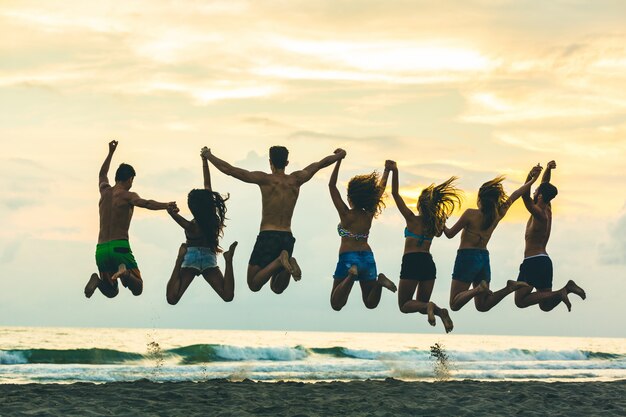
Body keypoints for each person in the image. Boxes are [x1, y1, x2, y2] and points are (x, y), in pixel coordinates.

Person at [204, 145, 346, 294]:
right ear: (287, 163)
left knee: (253, 284)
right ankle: (285, 262)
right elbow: (319, 164)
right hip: (287, 237)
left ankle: (280, 261)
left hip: (268, 236)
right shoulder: (297, 179)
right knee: (277, 288)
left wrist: (209, 156)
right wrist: (339, 155)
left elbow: (230, 170)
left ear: (270, 161)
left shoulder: (265, 179)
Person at [84, 140, 176, 298]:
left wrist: (110, 152)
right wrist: (166, 205)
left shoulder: (104, 191)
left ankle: (98, 281)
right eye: (132, 180)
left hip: (101, 249)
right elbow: (146, 203)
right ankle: (124, 273)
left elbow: (102, 174)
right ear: (129, 179)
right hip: (119, 247)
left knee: (111, 291)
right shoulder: (128, 196)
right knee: (138, 288)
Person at [443, 166, 543, 312]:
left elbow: (450, 234)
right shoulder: (498, 214)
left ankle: (477, 290)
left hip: (467, 257)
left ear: (480, 198)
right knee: (482, 306)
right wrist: (533, 179)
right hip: (483, 258)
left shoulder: (470, 214)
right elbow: (516, 194)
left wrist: (442, 225)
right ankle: (509, 288)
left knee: (454, 304)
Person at [388, 160, 460, 332]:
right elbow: (442, 233)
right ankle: (440, 311)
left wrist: (394, 170)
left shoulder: (412, 219)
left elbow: (395, 194)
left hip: (412, 261)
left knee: (405, 305)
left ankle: (431, 307)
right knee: (421, 303)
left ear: (420, 204)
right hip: (428, 264)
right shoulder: (435, 224)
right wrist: (441, 219)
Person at [166, 147, 238, 305]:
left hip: (190, 257)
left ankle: (178, 258)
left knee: (172, 298)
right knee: (227, 295)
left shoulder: (191, 226)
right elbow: (207, 184)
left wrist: (171, 211)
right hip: (208, 258)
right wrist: (204, 160)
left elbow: (174, 215)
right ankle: (228, 260)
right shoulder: (212, 219)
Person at [514, 161, 586, 311]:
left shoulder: (539, 214)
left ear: (539, 196)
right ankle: (567, 288)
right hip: (544, 262)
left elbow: (524, 195)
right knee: (545, 305)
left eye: (536, 191)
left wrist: (530, 176)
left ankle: (561, 292)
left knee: (520, 301)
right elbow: (545, 184)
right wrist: (547, 169)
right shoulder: (547, 209)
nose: (533, 192)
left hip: (533, 261)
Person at [328, 155, 397, 311]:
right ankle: (380, 282)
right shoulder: (369, 214)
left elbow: (332, 186)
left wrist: (338, 161)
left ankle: (351, 276)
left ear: (351, 198)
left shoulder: (346, 214)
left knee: (336, 304)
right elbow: (380, 189)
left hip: (348, 257)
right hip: (367, 257)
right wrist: (387, 170)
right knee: (370, 303)